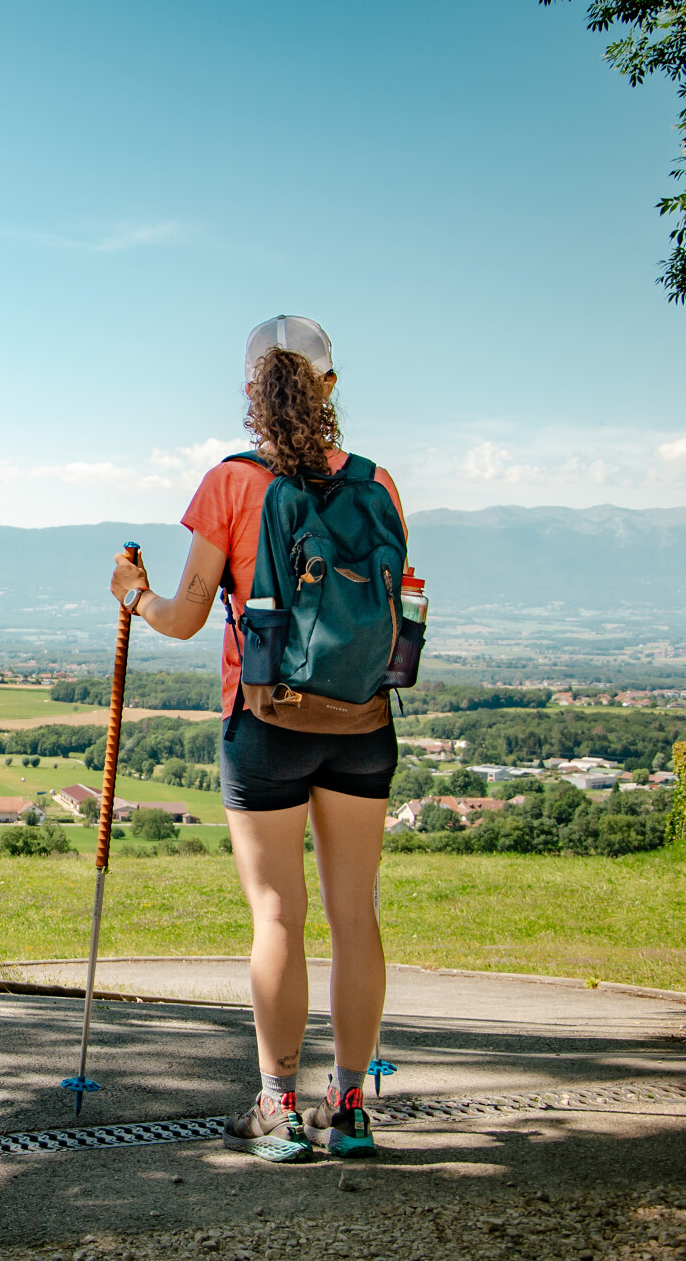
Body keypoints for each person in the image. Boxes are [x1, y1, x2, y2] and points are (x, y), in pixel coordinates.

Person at [109, 315, 404, 1162]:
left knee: (279, 913)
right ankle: (347, 1107)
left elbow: (187, 614)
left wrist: (133, 593)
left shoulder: (232, 483)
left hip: (265, 722)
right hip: (364, 723)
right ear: (331, 388)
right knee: (357, 915)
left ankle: (277, 1107)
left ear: (251, 391)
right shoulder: (378, 484)